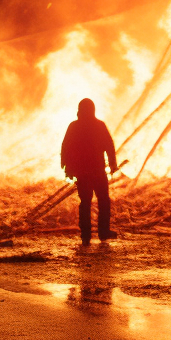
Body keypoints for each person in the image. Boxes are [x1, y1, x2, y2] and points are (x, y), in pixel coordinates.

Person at [60, 98, 119, 244]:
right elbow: (109, 145)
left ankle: (86, 235)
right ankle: (103, 232)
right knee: (103, 200)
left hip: (83, 172)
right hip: (97, 170)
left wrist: (66, 167)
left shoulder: (74, 126)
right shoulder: (99, 125)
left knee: (85, 202)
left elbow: (65, 147)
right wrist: (112, 163)